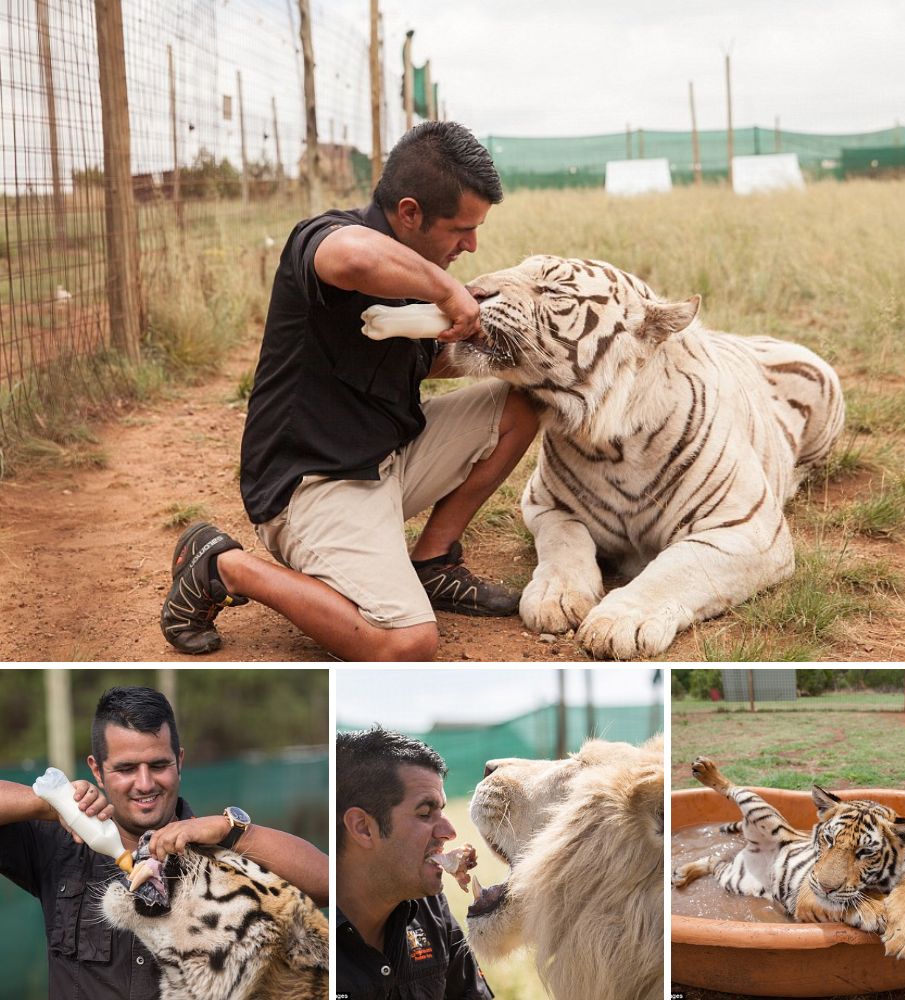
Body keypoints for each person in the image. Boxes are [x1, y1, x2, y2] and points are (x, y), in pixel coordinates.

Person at [160, 121, 539, 661]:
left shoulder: (418, 270)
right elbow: (356, 259)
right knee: (407, 644)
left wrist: (503, 344)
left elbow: (421, 360)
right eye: (461, 229)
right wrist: (448, 291)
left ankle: (433, 563)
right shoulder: (325, 238)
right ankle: (223, 565)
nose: (471, 246)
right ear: (410, 213)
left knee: (520, 403)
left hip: (389, 460)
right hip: (315, 486)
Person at [0, 686, 328, 999]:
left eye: (158, 765)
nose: (144, 783)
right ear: (97, 771)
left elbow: (328, 884)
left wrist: (233, 830)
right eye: (126, 768)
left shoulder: (221, 853)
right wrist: (48, 802)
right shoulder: (61, 844)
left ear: (179, 761)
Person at [336, 726, 493, 999]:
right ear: (363, 828)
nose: (450, 832)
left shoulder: (431, 909)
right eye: (424, 813)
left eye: (441, 810)